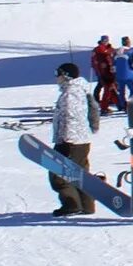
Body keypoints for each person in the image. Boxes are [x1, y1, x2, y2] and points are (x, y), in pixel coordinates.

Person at [48, 61, 100, 216]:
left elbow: (72, 116)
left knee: (58, 174)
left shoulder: (71, 93)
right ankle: (86, 205)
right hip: (80, 140)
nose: (56, 77)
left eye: (58, 74)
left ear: (66, 76)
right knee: (80, 174)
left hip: (71, 140)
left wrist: (67, 140)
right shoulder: (78, 90)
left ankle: (71, 204)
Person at [90, 35, 119, 114]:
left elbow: (115, 58)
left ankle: (118, 104)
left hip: (111, 72)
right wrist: (97, 70)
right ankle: (103, 106)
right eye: (104, 40)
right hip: (103, 72)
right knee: (107, 88)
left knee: (111, 88)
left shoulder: (111, 49)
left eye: (106, 40)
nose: (105, 41)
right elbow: (94, 61)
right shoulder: (98, 49)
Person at [115, 35, 133, 101]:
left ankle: (122, 105)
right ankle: (132, 103)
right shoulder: (130, 51)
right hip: (129, 74)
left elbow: (113, 63)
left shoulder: (117, 52)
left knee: (121, 91)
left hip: (119, 75)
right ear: (128, 42)